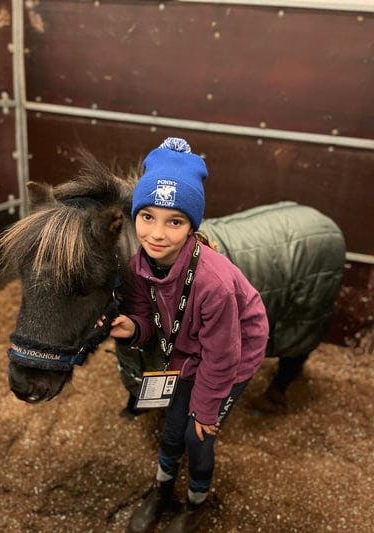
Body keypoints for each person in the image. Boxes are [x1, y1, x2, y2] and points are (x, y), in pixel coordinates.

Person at [109, 137, 269, 533]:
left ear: (192, 225)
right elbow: (148, 320)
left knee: (198, 435)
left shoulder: (213, 282)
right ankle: (163, 489)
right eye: (147, 217)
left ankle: (195, 500)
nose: (157, 234)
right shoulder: (138, 264)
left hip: (229, 357)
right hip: (185, 353)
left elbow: (223, 356)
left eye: (174, 221)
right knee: (171, 425)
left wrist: (208, 411)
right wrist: (133, 328)